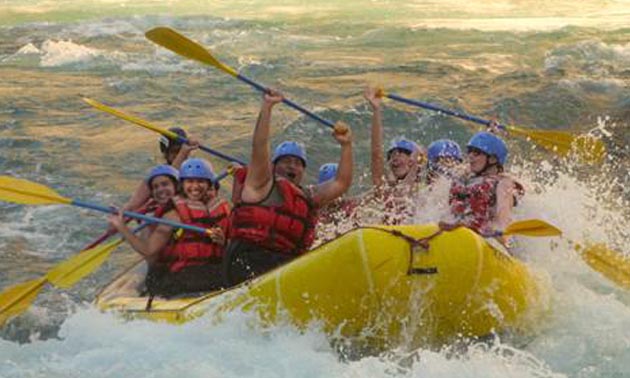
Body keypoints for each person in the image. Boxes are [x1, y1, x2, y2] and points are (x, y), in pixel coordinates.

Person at [223, 89, 353, 286]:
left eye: (297, 163)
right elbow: (260, 146)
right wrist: (267, 107)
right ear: (274, 166)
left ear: (302, 170)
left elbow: (340, 183)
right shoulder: (260, 184)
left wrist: (346, 146)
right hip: (248, 259)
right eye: (286, 161)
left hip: (284, 265)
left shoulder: (308, 195)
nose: (292, 166)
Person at [109, 157, 230, 297]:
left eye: (200, 181)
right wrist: (122, 227)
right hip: (180, 275)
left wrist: (224, 241)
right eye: (190, 182)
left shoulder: (220, 207)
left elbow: (234, 244)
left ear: (209, 184)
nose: (195, 187)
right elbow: (148, 250)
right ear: (182, 185)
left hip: (210, 269)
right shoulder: (172, 215)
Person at [364, 86, 427, 224]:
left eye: (402, 153)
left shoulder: (427, 190)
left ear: (412, 160)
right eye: (392, 155)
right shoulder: (384, 190)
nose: (395, 157)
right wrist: (376, 110)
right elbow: (376, 154)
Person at [447, 131, 524, 237]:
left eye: (476, 153)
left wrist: (500, 235)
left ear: (492, 159)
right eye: (469, 151)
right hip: (458, 232)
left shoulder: (503, 183)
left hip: (485, 238)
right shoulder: (465, 176)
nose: (470, 156)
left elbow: (503, 218)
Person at [121, 127, 200, 214]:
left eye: (181, 151)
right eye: (175, 152)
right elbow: (132, 207)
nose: (179, 155)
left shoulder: (197, 171)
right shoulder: (154, 179)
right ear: (165, 154)